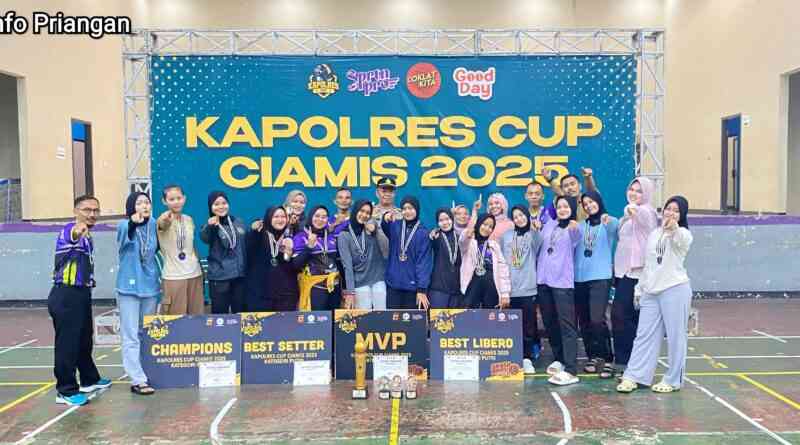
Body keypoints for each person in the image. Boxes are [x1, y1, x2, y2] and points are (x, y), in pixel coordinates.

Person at [618, 196, 693, 394]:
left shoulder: (684, 234)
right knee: (643, 335)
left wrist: (674, 229)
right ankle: (636, 376)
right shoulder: (654, 234)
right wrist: (639, 289)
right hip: (651, 291)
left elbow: (681, 241)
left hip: (675, 289)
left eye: (676, 211)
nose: (671, 213)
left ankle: (673, 380)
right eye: (668, 208)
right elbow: (649, 264)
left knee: (676, 337)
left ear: (682, 215)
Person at [49, 195, 111, 406]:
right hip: (66, 294)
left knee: (84, 339)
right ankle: (65, 390)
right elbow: (74, 234)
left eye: (95, 210)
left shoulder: (89, 236)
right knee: (67, 344)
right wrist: (78, 230)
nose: (92, 214)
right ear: (76, 211)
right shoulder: (70, 230)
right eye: (87, 210)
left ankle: (89, 379)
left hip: (82, 294)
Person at [612, 177, 659, 374]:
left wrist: (630, 210)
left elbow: (634, 211)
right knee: (624, 316)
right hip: (622, 272)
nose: (633, 193)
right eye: (631, 189)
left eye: (639, 191)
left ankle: (631, 362)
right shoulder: (627, 217)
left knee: (625, 316)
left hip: (638, 274)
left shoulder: (647, 212)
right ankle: (626, 361)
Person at [115, 192, 159, 395]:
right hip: (129, 287)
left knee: (146, 332)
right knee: (131, 334)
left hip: (150, 286)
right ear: (132, 207)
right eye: (139, 203)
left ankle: (147, 372)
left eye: (147, 202)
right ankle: (137, 379)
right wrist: (133, 223)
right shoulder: (124, 225)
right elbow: (124, 238)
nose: (144, 206)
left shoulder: (154, 224)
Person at [537, 196, 581, 386]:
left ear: (572, 209)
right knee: (550, 323)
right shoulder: (549, 224)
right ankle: (559, 358)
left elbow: (576, 239)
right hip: (543, 280)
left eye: (566, 206)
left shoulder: (574, 228)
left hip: (562, 282)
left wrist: (574, 228)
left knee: (567, 326)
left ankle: (571, 369)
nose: (562, 209)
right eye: (559, 206)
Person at [574, 191, 619, 379]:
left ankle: (608, 358)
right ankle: (592, 356)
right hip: (579, 278)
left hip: (600, 277)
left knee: (597, 319)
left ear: (599, 201)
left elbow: (622, 231)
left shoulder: (610, 222)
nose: (589, 206)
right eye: (585, 204)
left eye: (591, 202)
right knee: (584, 321)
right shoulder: (579, 226)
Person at [500, 206, 543, 374]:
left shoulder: (533, 234)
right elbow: (501, 261)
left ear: (527, 216)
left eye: (522, 215)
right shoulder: (506, 236)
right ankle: (512, 356)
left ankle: (526, 358)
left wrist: (536, 229)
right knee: (510, 326)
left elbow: (538, 246)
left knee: (528, 326)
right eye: (516, 216)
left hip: (528, 289)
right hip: (509, 290)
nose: (519, 219)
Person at [156, 185, 204, 315]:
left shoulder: (189, 220)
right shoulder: (163, 219)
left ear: (184, 198)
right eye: (171, 199)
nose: (176, 202)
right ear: (164, 201)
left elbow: (191, 246)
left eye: (179, 198)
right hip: (173, 277)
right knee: (175, 319)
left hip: (195, 274)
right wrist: (165, 220)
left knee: (196, 317)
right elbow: (163, 225)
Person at [382, 196, 433, 310]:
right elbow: (385, 226)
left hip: (412, 288)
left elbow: (424, 263)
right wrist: (385, 218)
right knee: (393, 319)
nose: (407, 211)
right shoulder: (395, 226)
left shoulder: (423, 232)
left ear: (417, 210)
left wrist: (421, 289)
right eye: (404, 209)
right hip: (393, 285)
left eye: (410, 208)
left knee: (409, 320)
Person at [200, 191, 247, 314]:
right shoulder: (210, 225)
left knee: (240, 314)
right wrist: (210, 226)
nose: (221, 206)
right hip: (220, 278)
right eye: (216, 204)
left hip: (239, 277)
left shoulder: (238, 222)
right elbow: (205, 238)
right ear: (211, 207)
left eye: (224, 203)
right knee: (220, 317)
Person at [245, 206, 299, 311]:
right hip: (260, 294)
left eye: (283, 216)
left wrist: (288, 254)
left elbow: (294, 267)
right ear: (269, 218)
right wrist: (254, 231)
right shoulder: (259, 234)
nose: (280, 220)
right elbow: (249, 252)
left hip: (285, 296)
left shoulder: (290, 237)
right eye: (276, 216)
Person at [338, 200, 386, 310]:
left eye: (368, 213)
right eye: (362, 211)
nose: (364, 215)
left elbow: (385, 249)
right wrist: (350, 292)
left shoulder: (371, 228)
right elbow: (347, 266)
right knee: (363, 316)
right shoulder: (344, 235)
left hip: (378, 279)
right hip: (359, 282)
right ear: (355, 211)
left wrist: (375, 231)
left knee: (383, 315)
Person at [293, 205, 342, 311]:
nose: (320, 219)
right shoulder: (301, 237)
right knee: (317, 321)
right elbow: (296, 265)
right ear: (311, 217)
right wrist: (309, 247)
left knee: (335, 320)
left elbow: (339, 263)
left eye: (324, 217)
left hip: (334, 287)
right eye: (317, 216)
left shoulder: (331, 236)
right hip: (315, 288)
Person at [459, 213, 511, 310]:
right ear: (478, 224)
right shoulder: (469, 243)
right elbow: (463, 240)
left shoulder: (494, 245)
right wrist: (468, 231)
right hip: (472, 289)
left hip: (491, 290)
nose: (487, 228)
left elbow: (503, 271)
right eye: (484, 224)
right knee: (469, 317)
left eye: (490, 227)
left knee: (491, 317)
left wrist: (505, 293)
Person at [428, 208, 463, 309]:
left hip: (456, 290)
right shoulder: (436, 236)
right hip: (439, 289)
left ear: (452, 219)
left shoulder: (459, 237)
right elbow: (431, 241)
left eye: (447, 219)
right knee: (437, 319)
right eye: (441, 220)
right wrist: (432, 236)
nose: (445, 223)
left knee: (455, 319)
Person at [372, 176, 402, 258]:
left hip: (396, 259)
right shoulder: (369, 213)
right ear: (377, 193)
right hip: (374, 261)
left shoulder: (401, 214)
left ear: (394, 194)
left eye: (391, 191)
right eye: (384, 191)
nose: (387, 194)